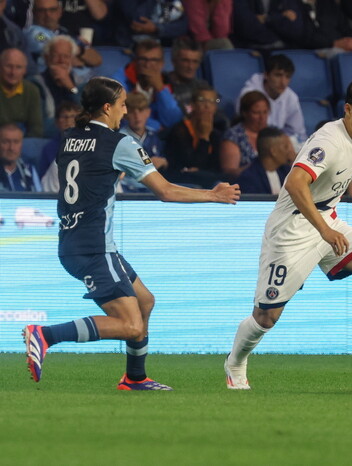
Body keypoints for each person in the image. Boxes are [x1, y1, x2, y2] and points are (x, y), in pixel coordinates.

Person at [22, 76, 241, 390]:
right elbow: (164, 191)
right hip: (94, 247)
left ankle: (135, 377)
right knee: (130, 323)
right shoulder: (120, 142)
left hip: (76, 241)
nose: (126, 112)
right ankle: (45, 336)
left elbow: (93, 172)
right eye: (123, 105)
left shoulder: (70, 137)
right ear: (108, 107)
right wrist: (213, 195)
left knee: (145, 302)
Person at [224, 77, 352, 390]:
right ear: (348, 110)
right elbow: (296, 184)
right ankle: (235, 362)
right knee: (266, 318)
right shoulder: (327, 142)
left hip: (326, 218)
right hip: (293, 230)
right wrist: (323, 230)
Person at [112, 38, 183, 130]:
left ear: (161, 64)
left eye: (154, 60)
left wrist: (160, 89)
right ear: (135, 61)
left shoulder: (167, 83)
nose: (148, 65)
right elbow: (121, 115)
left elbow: (173, 120)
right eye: (143, 59)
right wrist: (156, 126)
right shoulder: (119, 81)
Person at [236, 54, 307, 145]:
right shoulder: (249, 94)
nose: (283, 82)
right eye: (278, 75)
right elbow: (245, 126)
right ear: (266, 75)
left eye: (287, 77)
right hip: (250, 141)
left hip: (276, 142)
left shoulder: (291, 97)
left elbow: (298, 133)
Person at [164, 85, 223, 188]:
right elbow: (189, 164)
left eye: (212, 101)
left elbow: (218, 169)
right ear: (193, 105)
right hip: (183, 183)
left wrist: (200, 171)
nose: (207, 105)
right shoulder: (179, 130)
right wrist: (204, 137)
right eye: (202, 100)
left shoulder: (218, 132)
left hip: (208, 181)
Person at [25, 0, 102, 72]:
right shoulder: (34, 34)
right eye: (41, 11)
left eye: (52, 10)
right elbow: (57, 54)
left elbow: (96, 59)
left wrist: (78, 50)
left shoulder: (65, 32)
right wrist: (82, 58)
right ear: (34, 13)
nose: (48, 14)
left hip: (83, 81)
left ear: (60, 11)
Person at [30, 35, 83, 136]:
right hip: (49, 138)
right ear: (46, 58)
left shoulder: (81, 82)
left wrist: (72, 88)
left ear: (72, 60)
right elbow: (39, 125)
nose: (61, 60)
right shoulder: (35, 84)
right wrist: (66, 125)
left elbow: (88, 116)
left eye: (66, 56)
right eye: (56, 56)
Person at [220, 90, 270, 178]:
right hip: (246, 187)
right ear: (245, 113)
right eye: (256, 113)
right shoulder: (233, 137)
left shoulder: (273, 134)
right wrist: (259, 168)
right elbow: (229, 172)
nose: (262, 117)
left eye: (265, 112)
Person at [236, 126, 295, 194]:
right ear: (273, 151)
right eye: (286, 147)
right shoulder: (248, 178)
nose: (290, 151)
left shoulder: (287, 172)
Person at [0, 47, 43, 137]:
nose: (13, 72)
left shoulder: (32, 90)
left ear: (25, 70)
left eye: (18, 67)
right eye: (8, 66)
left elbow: (36, 128)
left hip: (21, 143)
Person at [113, 0, 188, 47]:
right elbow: (138, 22)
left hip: (163, 48)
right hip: (130, 46)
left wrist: (157, 28)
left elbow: (182, 27)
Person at [0, 122, 42, 191]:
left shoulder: (29, 170)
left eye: (16, 142)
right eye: (6, 142)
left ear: (21, 144)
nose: (11, 148)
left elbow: (40, 199)